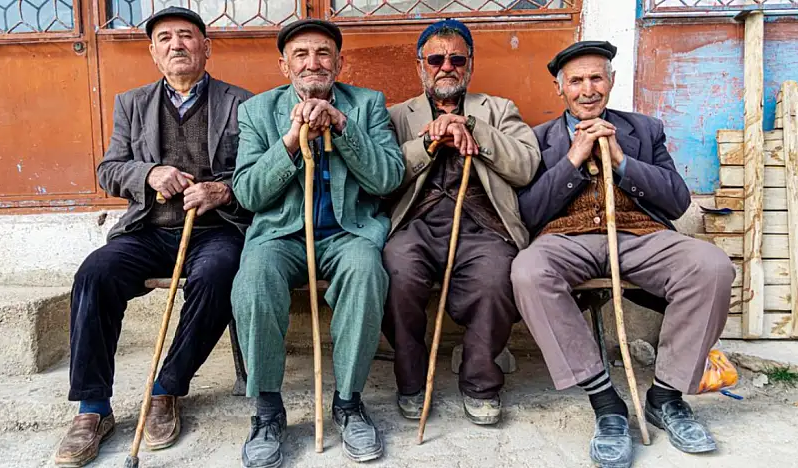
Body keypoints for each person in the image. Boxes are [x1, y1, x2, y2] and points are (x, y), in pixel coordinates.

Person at [510, 40, 734, 467]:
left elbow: (676, 201)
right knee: (527, 271)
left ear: (611, 82)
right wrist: (573, 160)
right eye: (576, 81)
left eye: (596, 77)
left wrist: (621, 161)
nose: (587, 89)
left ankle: (666, 397)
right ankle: (607, 404)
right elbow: (529, 211)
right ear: (561, 89)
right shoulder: (535, 139)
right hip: (566, 239)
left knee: (712, 266)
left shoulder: (644, 130)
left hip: (639, 235)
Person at [54, 7, 253, 467]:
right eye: (165, 39)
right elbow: (109, 169)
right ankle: (92, 407)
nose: (176, 45)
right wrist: (150, 173)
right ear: (153, 52)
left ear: (206, 47)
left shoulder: (242, 102)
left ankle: (167, 388)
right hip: (149, 230)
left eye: (187, 36)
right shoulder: (132, 103)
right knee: (95, 275)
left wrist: (222, 190)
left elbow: (258, 173)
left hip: (215, 230)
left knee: (221, 273)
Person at [230, 19, 405, 467]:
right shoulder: (257, 111)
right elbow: (249, 193)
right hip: (282, 234)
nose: (313, 63)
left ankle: (348, 403)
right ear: (284, 64)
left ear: (339, 62)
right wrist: (290, 141)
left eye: (324, 54)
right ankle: (267, 412)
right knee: (252, 279)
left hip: (348, 233)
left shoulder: (367, 104)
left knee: (367, 272)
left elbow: (387, 177)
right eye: (302, 55)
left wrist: (344, 128)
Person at [382, 19, 540, 425]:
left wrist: (471, 127)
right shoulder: (397, 115)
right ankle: (413, 381)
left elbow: (526, 167)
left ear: (470, 64)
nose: (446, 66)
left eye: (456, 58)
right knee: (396, 272)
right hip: (416, 225)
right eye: (436, 59)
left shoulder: (499, 109)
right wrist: (427, 143)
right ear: (421, 66)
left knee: (494, 278)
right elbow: (380, 177)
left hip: (482, 224)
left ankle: (481, 384)